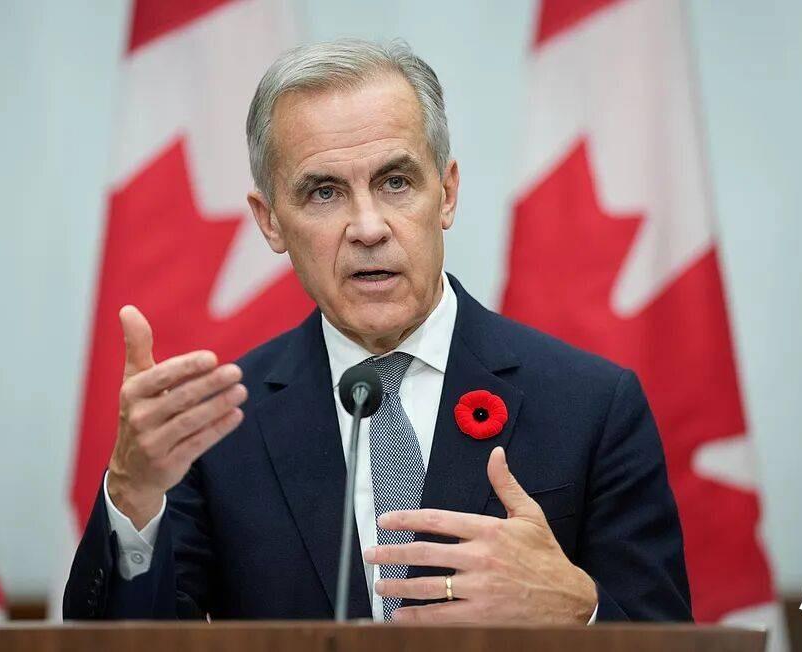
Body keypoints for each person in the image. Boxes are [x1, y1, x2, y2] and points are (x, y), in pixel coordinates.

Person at [64, 38, 691, 624]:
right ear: (270, 221)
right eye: (324, 193)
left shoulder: (592, 405)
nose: (368, 228)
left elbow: (666, 636)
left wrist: (580, 611)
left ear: (446, 193)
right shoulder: (219, 425)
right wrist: (133, 494)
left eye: (396, 182)